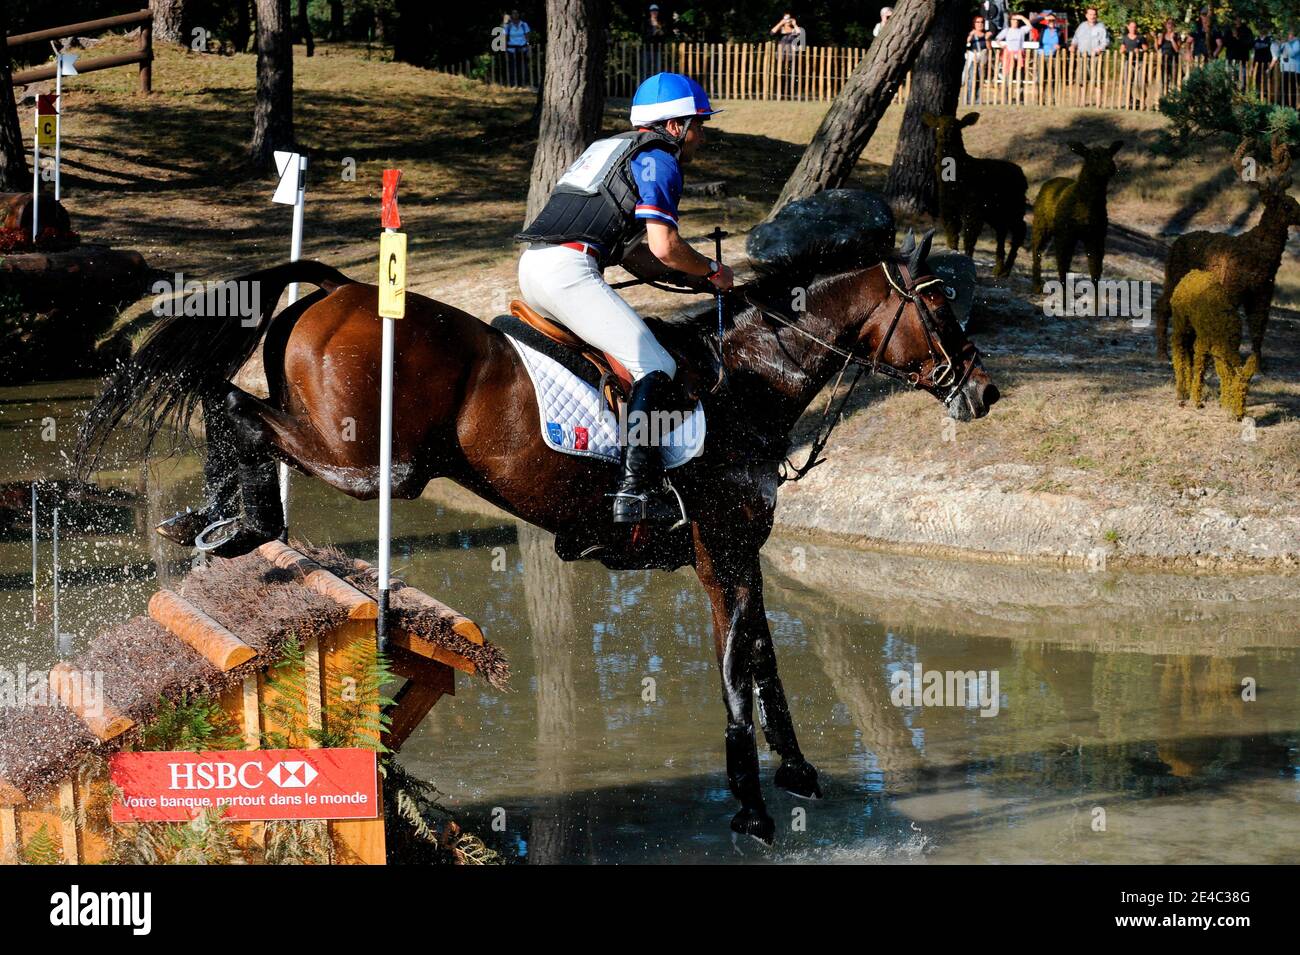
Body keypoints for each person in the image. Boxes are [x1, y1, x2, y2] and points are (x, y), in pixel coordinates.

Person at [515, 74, 733, 524]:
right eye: (699, 125)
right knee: (656, 368)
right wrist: (712, 271)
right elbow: (664, 247)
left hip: (535, 267)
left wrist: (695, 283)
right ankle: (635, 491)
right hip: (568, 273)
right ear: (674, 126)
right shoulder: (660, 159)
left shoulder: (612, 148)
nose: (702, 136)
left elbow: (638, 258)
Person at [1070, 6, 1107, 102]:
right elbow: (1075, 39)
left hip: (1096, 58)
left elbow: (1105, 41)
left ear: (1096, 15)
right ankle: (1082, 102)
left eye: (1094, 14)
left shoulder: (1101, 26)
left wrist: (1100, 49)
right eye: (1090, 14)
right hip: (1083, 57)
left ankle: (1099, 103)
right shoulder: (1081, 26)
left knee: (1097, 81)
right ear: (1086, 15)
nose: (1092, 16)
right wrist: (1073, 46)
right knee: (1082, 81)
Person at [964, 14, 992, 105]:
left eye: (982, 22)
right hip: (972, 59)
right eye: (978, 22)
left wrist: (987, 39)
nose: (980, 24)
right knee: (971, 79)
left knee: (980, 80)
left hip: (982, 60)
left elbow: (989, 48)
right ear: (974, 23)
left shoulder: (986, 34)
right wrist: (971, 35)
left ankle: (977, 99)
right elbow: (966, 43)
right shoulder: (971, 34)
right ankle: (969, 99)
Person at [503, 9, 531, 87]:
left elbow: (527, 36)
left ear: (519, 14)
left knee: (522, 66)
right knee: (512, 67)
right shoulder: (508, 26)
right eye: (513, 13)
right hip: (511, 49)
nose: (515, 15)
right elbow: (505, 37)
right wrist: (504, 48)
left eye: (516, 13)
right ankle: (512, 84)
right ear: (511, 15)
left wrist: (528, 46)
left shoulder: (524, 24)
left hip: (522, 48)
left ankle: (522, 84)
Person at [644, 4, 669, 76]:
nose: (654, 12)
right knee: (646, 69)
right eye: (653, 11)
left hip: (658, 49)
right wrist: (653, 33)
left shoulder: (661, 23)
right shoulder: (646, 23)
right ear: (650, 12)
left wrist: (661, 32)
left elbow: (665, 35)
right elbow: (644, 36)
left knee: (657, 69)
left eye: (656, 11)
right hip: (648, 49)